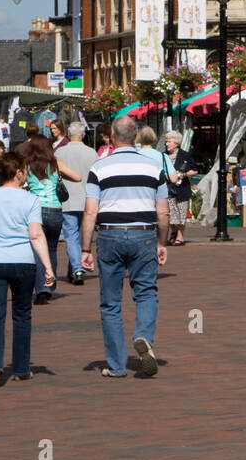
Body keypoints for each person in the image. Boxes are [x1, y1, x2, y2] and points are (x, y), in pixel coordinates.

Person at [80, 115, 169, 378]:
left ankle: (117, 365)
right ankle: (143, 336)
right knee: (146, 293)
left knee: (110, 303)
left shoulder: (99, 168)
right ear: (136, 137)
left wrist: (85, 248)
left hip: (110, 235)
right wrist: (162, 241)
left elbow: (89, 211)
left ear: (113, 137)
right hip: (144, 234)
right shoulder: (154, 168)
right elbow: (163, 212)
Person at [0, 152, 55, 387]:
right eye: (25, 170)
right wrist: (47, 266)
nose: (26, 174)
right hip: (23, 261)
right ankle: (21, 368)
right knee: (22, 314)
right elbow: (36, 234)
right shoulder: (30, 200)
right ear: (18, 173)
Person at [20, 134, 81, 304]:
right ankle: (47, 287)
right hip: (54, 209)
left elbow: (18, 182)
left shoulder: (28, 165)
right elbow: (78, 177)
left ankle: (38, 287)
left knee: (36, 250)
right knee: (52, 249)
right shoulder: (55, 164)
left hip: (34, 209)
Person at [56, 121, 98, 285]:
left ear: (68, 133)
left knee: (71, 235)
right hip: (88, 198)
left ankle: (76, 267)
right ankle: (75, 266)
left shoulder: (60, 152)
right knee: (82, 235)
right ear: (84, 134)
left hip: (67, 198)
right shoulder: (91, 152)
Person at [162, 131, 197, 246]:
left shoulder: (185, 155)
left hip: (182, 188)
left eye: (169, 141)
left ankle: (180, 236)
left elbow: (195, 170)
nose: (167, 144)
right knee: (171, 213)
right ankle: (174, 232)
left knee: (181, 213)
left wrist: (185, 174)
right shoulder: (163, 156)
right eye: (166, 141)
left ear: (176, 143)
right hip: (168, 189)